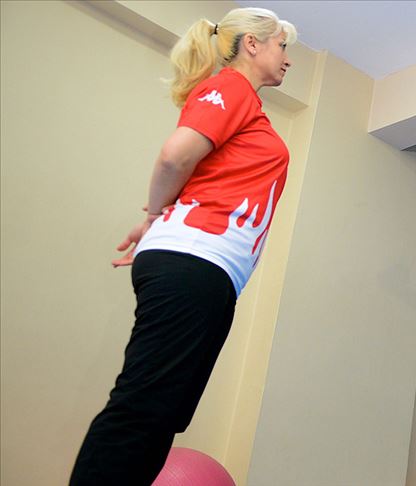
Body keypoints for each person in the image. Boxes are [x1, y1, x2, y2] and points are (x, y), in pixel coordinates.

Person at [70, 8, 296, 485]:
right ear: (252, 45)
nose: (287, 57)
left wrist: (155, 222)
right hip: (194, 258)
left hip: (211, 270)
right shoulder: (231, 87)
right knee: (143, 406)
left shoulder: (246, 104)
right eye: (281, 44)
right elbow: (175, 156)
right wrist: (153, 218)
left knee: (164, 413)